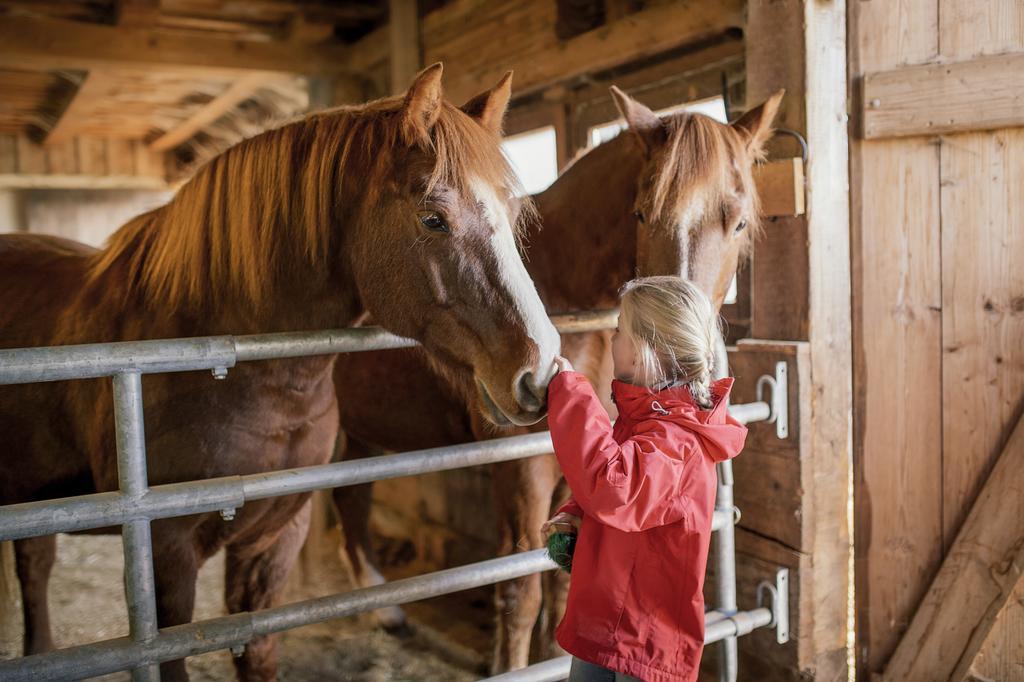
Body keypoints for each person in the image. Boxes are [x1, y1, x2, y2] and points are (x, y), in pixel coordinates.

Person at [541, 276, 748, 682]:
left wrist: (571, 394)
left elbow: (615, 487)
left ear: (641, 354)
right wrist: (577, 516)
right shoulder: (645, 425)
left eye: (619, 331)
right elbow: (620, 491)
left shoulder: (676, 442)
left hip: (644, 640)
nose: (612, 338)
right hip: (608, 618)